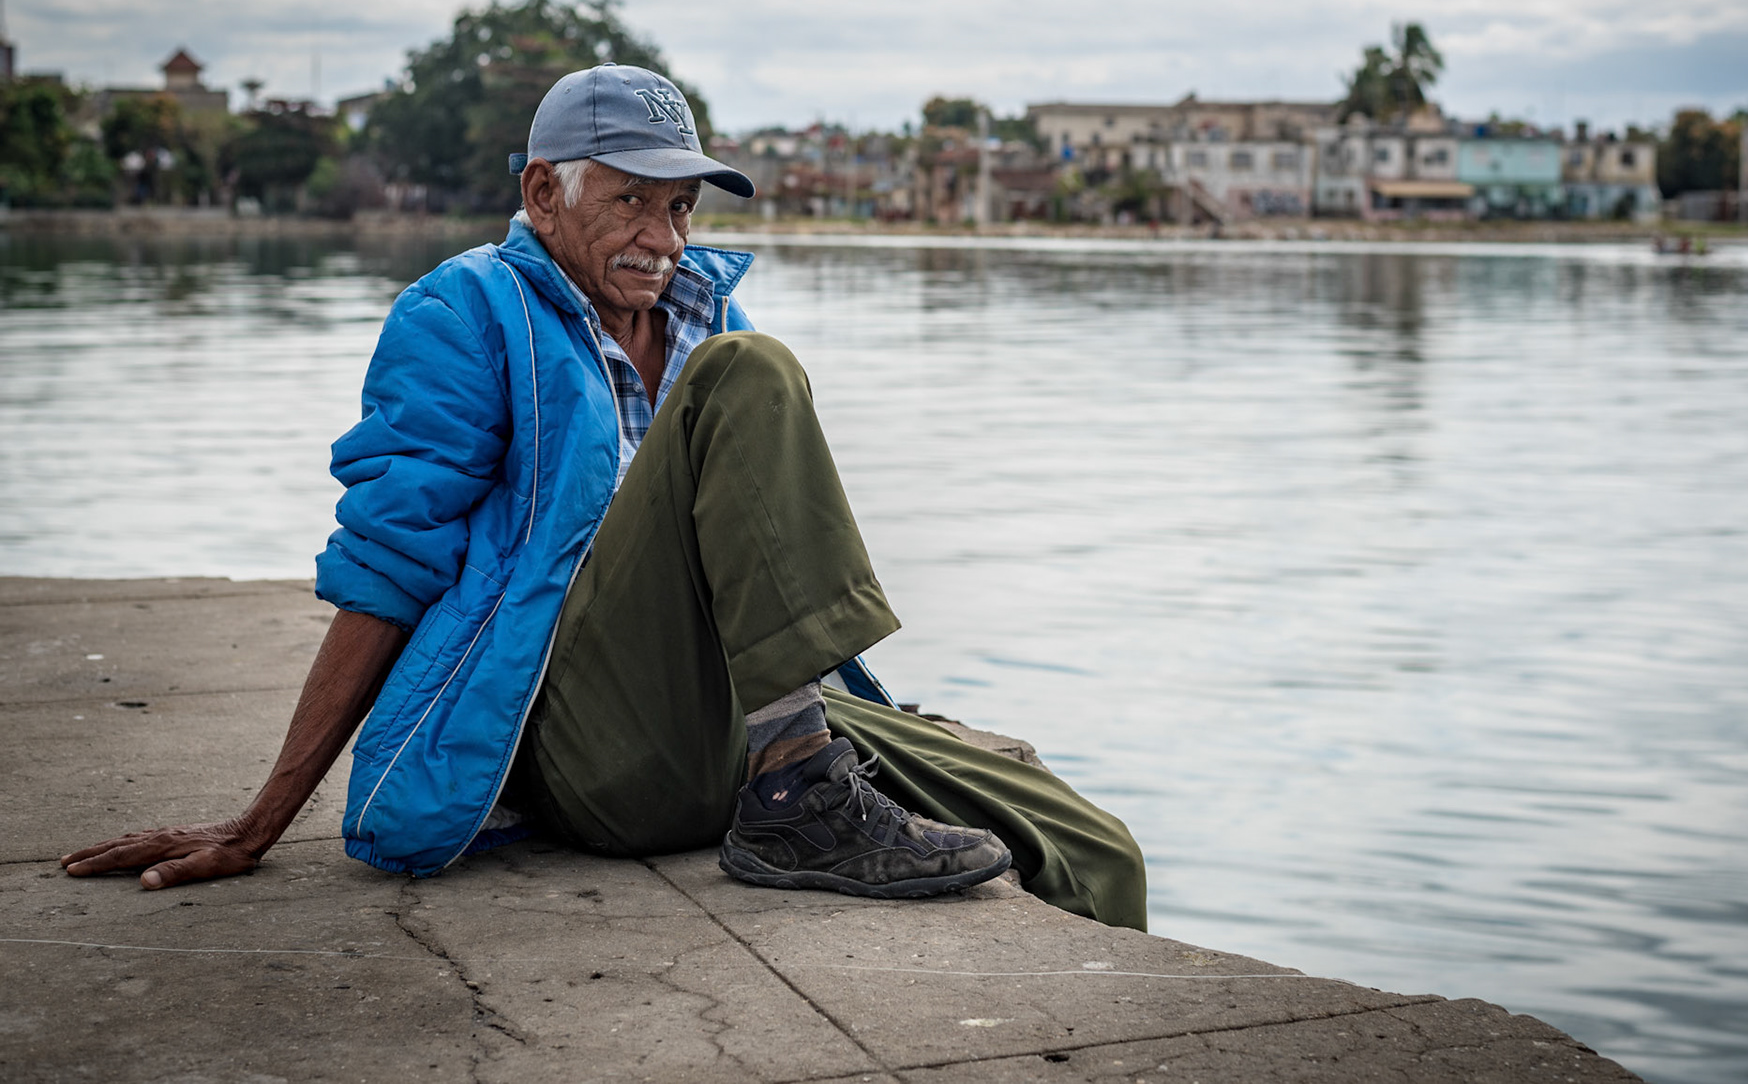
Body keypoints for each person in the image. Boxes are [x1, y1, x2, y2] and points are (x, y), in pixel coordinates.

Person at [62, 64, 1147, 930]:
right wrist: (260, 820)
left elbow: (744, 559)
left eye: (678, 207)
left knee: (1090, 845)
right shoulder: (465, 313)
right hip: (588, 748)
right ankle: (798, 795)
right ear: (544, 193)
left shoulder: (700, 316)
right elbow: (390, 568)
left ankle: (806, 767)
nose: (663, 238)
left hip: (720, 723)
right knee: (751, 371)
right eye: (631, 200)